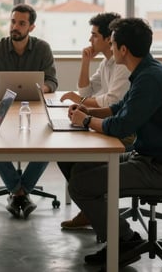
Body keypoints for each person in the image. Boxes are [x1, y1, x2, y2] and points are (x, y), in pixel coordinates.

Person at [67, 17, 162, 268]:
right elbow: (119, 108)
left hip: (159, 169)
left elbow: (121, 126)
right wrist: (84, 111)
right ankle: (121, 237)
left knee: (79, 185)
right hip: (149, 158)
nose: (110, 50)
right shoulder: (146, 71)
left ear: (123, 49)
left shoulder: (149, 80)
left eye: (112, 45)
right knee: (81, 168)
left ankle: (125, 240)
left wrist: (86, 120)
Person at [0, 3, 58, 218]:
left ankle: (18, 192)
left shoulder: (42, 48)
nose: (15, 27)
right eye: (13, 22)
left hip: (34, 104)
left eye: (22, 23)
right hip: (4, 103)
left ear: (31, 27)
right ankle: (20, 191)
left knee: (48, 142)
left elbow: (52, 80)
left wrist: (44, 88)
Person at [57, 12, 130, 230]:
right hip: (109, 121)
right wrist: (85, 62)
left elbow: (110, 100)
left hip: (121, 132)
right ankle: (90, 209)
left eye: (94, 35)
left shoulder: (123, 66)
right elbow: (86, 90)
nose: (90, 40)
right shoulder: (107, 63)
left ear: (110, 39)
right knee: (64, 155)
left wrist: (83, 106)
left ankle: (94, 208)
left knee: (77, 162)